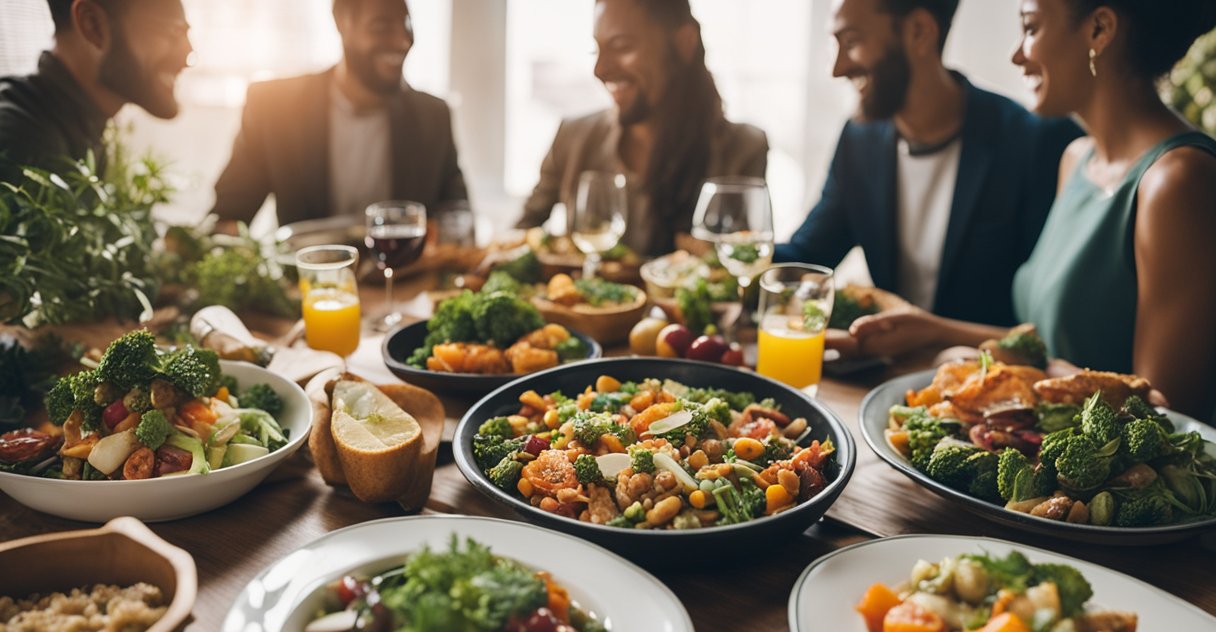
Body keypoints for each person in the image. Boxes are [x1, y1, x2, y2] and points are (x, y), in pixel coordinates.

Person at [850, 0, 1216, 418]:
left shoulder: (1178, 181)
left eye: (1031, 28)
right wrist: (931, 330)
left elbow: (1166, 415)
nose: (1017, 54)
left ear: (1099, 30)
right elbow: (1057, 346)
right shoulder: (1076, 160)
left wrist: (1028, 375)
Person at [773, 0, 1081, 327]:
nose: (837, 68)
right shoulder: (859, 141)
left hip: (993, 375)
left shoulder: (1037, 143)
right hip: (881, 374)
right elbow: (809, 256)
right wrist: (731, 253)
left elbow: (1046, 320)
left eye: (852, 42)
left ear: (919, 32)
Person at [514, 0, 769, 258]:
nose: (600, 70)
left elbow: (741, 264)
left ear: (684, 43)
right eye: (596, 50)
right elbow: (520, 235)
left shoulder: (744, 149)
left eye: (622, 47)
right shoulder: (573, 136)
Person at [211, 0, 468, 228]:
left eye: (407, 25)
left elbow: (457, 215)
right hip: (308, 280)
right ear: (343, 23)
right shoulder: (274, 108)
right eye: (382, 27)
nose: (402, 41)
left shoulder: (433, 116)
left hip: (408, 280)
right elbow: (230, 214)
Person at [0, 0, 192, 184]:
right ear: (92, 25)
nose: (188, 57)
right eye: (173, 32)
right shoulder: (22, 146)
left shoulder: (89, 123)